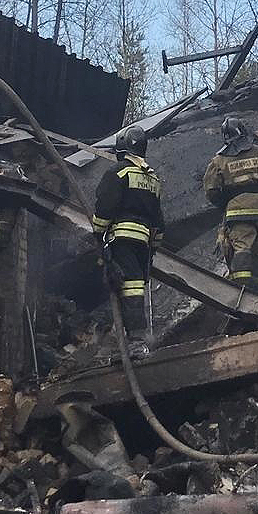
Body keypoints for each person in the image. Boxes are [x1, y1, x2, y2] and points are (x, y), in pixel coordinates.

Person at [92, 125, 164, 354]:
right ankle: (128, 341)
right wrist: (153, 248)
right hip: (143, 241)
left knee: (129, 287)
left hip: (121, 237)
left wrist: (97, 231)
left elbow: (105, 206)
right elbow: (158, 221)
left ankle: (135, 342)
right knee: (133, 286)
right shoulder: (153, 179)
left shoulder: (119, 172)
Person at [203, 117, 258, 288]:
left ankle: (241, 288)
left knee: (242, 248)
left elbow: (211, 189)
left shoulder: (219, 160)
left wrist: (223, 202)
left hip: (238, 210)